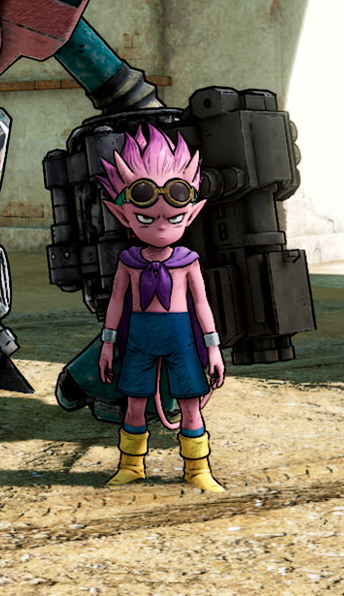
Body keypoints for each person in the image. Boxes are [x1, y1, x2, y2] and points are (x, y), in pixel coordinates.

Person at [95, 124, 226, 492]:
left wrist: (213, 348)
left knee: (190, 405)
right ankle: (131, 466)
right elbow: (117, 301)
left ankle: (198, 469)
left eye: (173, 217)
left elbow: (200, 302)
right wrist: (108, 344)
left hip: (180, 338)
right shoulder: (129, 261)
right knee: (134, 405)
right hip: (139, 337)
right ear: (122, 214)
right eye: (146, 218)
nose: (161, 227)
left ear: (192, 213)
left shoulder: (187, 261)